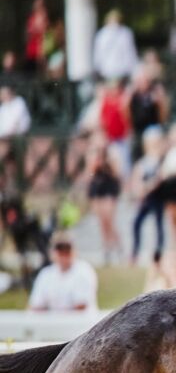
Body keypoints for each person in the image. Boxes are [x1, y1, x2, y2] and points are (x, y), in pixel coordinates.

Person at [28, 234, 98, 312]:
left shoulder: (84, 271)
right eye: (60, 250)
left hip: (81, 320)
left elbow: (81, 306)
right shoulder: (45, 274)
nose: (64, 255)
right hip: (55, 319)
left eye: (67, 250)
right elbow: (36, 306)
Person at [85, 130, 123, 265]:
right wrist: (94, 166)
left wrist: (107, 164)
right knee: (102, 222)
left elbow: (116, 173)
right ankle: (106, 249)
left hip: (109, 188)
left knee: (109, 220)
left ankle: (118, 248)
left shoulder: (112, 153)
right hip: (97, 189)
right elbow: (89, 175)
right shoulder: (92, 154)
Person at [130, 126, 167, 264]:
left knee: (158, 225)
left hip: (157, 197)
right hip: (147, 198)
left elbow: (159, 178)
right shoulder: (144, 161)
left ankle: (159, 253)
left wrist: (146, 187)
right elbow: (137, 178)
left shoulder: (161, 160)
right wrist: (141, 189)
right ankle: (135, 251)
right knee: (137, 223)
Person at [93, 9, 139, 81]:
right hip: (108, 70)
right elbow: (99, 53)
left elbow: (130, 51)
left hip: (122, 70)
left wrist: (133, 67)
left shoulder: (125, 33)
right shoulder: (102, 34)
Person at [24, 0, 49, 73]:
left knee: (41, 70)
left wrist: (41, 49)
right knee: (31, 70)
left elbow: (43, 31)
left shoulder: (43, 15)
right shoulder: (33, 16)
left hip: (40, 47)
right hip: (32, 48)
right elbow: (29, 32)